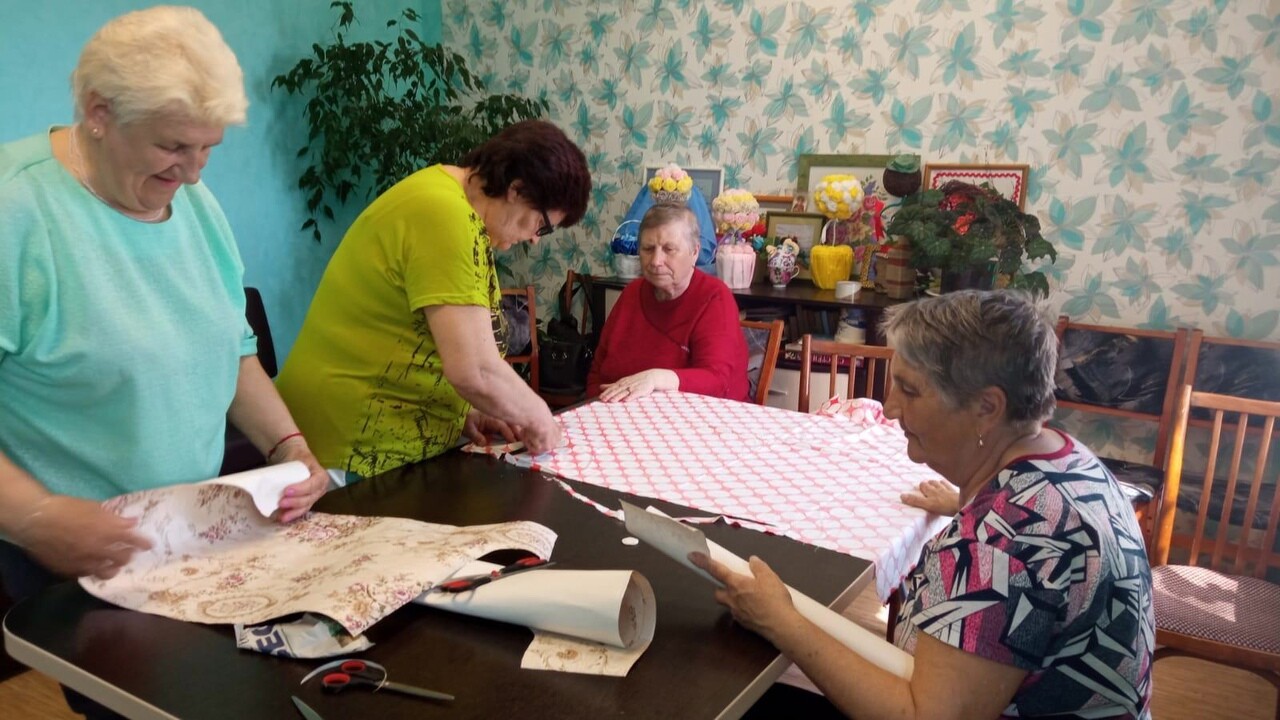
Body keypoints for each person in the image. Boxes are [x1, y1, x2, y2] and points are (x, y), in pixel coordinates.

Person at [0, 7, 329, 716]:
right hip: (73, 545)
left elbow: (232, 348)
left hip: (194, 529)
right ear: (98, 113)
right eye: (174, 145)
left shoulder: (194, 202)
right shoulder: (14, 210)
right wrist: (36, 518)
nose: (195, 170)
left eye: (210, 147)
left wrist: (289, 446)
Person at [692, 290, 1153, 719]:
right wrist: (964, 503)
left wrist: (780, 622)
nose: (890, 407)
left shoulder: (999, 542)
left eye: (910, 390)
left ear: (988, 408)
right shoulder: (1070, 461)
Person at [276, 120, 590, 479]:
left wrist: (461, 412)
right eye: (542, 225)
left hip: (374, 435)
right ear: (516, 190)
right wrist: (539, 417)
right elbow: (475, 369)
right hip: (347, 446)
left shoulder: (450, 202)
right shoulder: (445, 214)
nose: (535, 238)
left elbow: (432, 341)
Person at [587, 205, 749, 403]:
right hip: (618, 412)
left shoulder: (714, 297)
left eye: (669, 249)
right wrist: (595, 406)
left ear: (694, 252)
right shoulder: (632, 292)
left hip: (700, 415)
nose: (656, 261)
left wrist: (655, 378)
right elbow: (598, 370)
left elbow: (716, 380)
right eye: (648, 249)